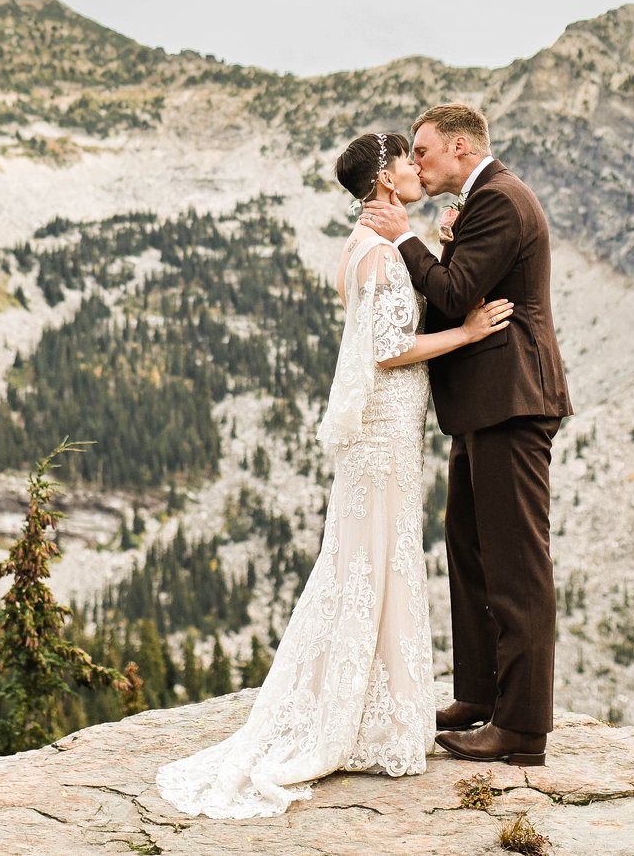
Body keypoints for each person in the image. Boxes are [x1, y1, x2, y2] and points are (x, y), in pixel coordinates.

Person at [155, 131, 513, 818]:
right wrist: (468, 334)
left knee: (366, 567)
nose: (416, 168)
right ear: (385, 179)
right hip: (382, 435)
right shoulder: (379, 254)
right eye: (407, 160)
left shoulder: (362, 246)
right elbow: (389, 350)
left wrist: (434, 243)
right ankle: (367, 718)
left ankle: (365, 709)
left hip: (381, 435)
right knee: (378, 566)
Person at [359, 103, 570, 768]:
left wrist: (405, 238)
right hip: (484, 404)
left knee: (516, 564)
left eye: (422, 152)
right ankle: (479, 693)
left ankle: (522, 727)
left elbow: (453, 293)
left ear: (458, 146)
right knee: (471, 549)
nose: (415, 165)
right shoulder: (482, 203)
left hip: (513, 400)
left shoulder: (502, 201)